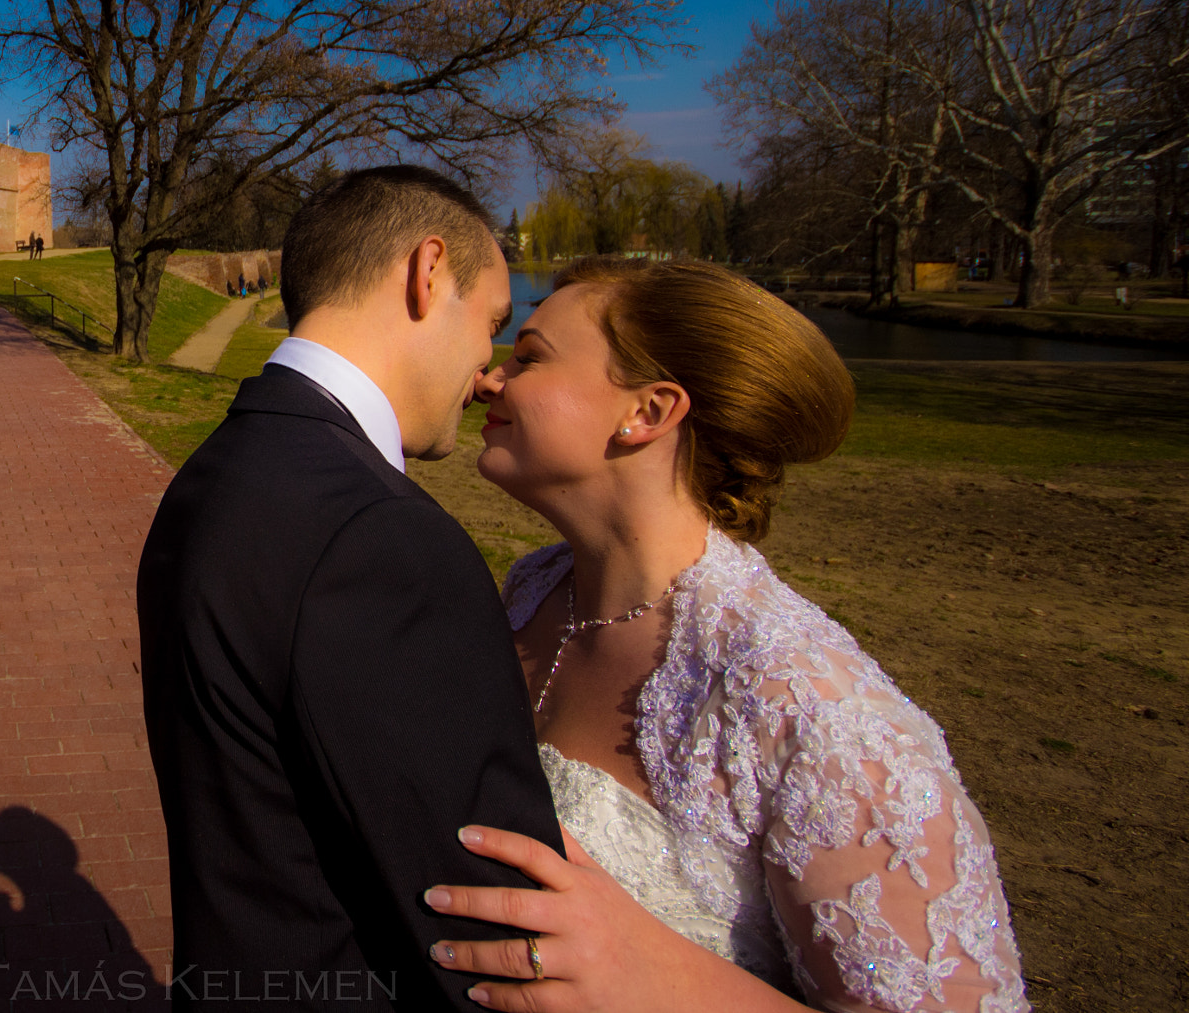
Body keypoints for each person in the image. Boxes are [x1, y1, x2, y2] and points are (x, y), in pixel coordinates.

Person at [424, 257, 1029, 1012]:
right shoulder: (534, 589)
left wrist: (662, 977)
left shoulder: (818, 714)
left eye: (530, 357)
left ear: (647, 411)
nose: (490, 380)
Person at [138, 165, 562, 1008]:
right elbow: (486, 939)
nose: (486, 372)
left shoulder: (219, 467)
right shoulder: (381, 537)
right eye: (492, 325)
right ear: (427, 271)